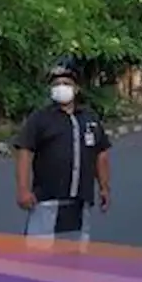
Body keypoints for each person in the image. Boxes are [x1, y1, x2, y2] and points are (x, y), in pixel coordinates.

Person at [13, 64, 112, 247]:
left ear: (76, 88)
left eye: (66, 83)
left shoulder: (90, 119)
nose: (61, 87)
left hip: (79, 201)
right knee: (38, 254)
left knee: (74, 255)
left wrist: (104, 188)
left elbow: (101, 153)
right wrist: (23, 190)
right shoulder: (40, 119)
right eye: (57, 84)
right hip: (47, 200)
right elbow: (24, 151)